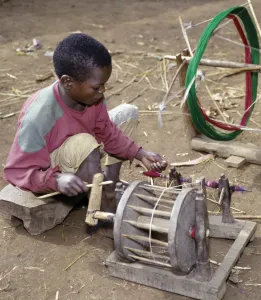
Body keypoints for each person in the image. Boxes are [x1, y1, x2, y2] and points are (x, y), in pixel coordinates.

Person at [3, 33, 167, 211]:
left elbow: (107, 131)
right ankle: (102, 207)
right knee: (84, 143)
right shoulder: (37, 117)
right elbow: (16, 171)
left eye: (104, 85)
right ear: (68, 82)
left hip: (84, 150)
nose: (102, 91)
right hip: (55, 168)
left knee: (128, 113)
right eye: (97, 87)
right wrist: (56, 180)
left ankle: (109, 184)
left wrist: (140, 154)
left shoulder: (92, 98)